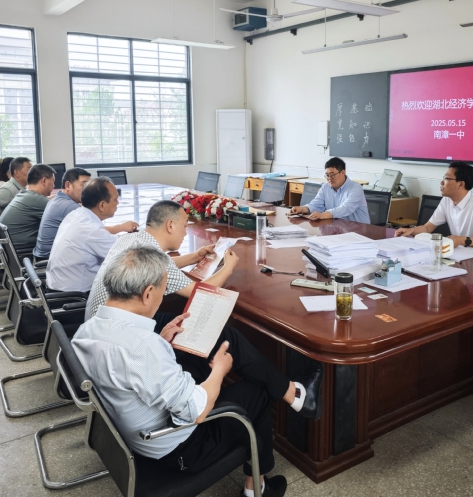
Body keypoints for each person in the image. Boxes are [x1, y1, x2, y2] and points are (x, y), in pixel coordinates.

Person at [73, 245, 324, 497]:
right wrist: (220, 371)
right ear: (148, 293)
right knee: (256, 393)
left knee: (220, 341)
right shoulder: (142, 347)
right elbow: (197, 411)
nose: (162, 296)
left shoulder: (87, 330)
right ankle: (257, 489)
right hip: (179, 449)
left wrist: (161, 340)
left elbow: (128, 368)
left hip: (136, 426)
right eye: (162, 289)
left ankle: (295, 394)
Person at [85, 200, 226, 321]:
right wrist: (228, 266)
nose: (185, 232)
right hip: (119, 331)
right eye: (184, 226)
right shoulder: (154, 255)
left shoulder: (131, 239)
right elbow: (200, 292)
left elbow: (159, 265)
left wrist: (195, 257)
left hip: (96, 325)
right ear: (170, 225)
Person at [46, 177, 138, 293]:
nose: (118, 203)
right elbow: (126, 255)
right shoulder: (92, 231)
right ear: (102, 205)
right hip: (74, 296)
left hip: (56, 286)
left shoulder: (76, 214)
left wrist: (122, 232)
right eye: (115, 199)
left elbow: (103, 237)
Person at [395, 161, 473, 249]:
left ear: (461, 184)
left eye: (446, 178)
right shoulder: (446, 201)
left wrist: (461, 240)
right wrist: (412, 230)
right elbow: (428, 227)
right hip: (467, 254)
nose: (441, 182)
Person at [34, 168, 137, 260]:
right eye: (84, 185)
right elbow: (97, 233)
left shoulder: (60, 201)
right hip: (46, 258)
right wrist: (122, 228)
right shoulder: (72, 209)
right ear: (68, 185)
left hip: (51, 258)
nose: (88, 190)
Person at [289, 157, 370, 223]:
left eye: (332, 175)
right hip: (338, 229)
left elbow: (346, 208)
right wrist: (301, 209)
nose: (329, 178)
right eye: (327, 175)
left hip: (358, 230)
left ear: (343, 172)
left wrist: (323, 215)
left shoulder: (355, 187)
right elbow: (316, 204)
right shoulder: (325, 187)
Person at [0, 164, 56, 253]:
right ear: (44, 181)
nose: (53, 186)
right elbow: (66, 219)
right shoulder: (37, 201)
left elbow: (39, 201)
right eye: (53, 182)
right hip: (24, 252)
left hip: (10, 251)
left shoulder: (24, 194)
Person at [0, 157, 32, 232]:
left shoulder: (19, 187)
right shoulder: (9, 189)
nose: (33, 172)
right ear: (17, 173)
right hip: (7, 233)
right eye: (29, 169)